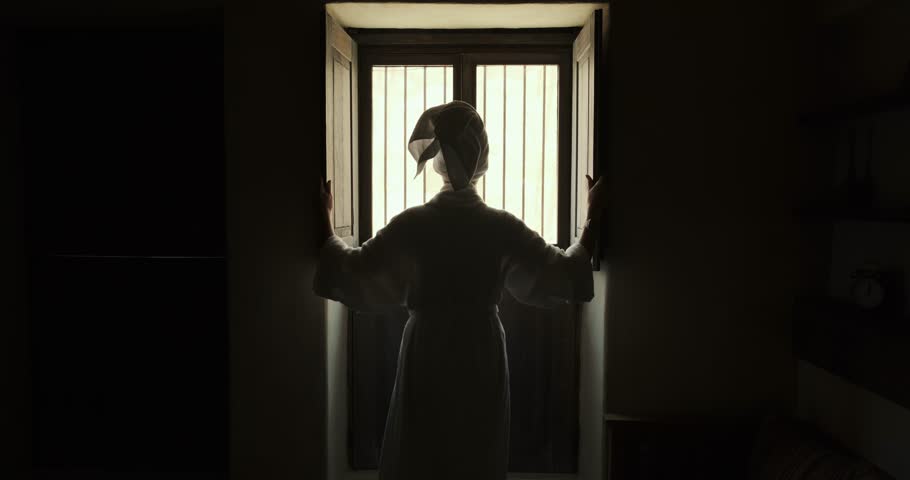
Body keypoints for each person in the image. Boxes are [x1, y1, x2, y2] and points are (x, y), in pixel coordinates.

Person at [314, 101, 604, 480]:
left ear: (437, 159)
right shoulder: (500, 227)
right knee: (475, 452)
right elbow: (563, 273)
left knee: (422, 450)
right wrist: (592, 217)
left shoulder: (413, 224)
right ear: (481, 158)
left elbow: (352, 272)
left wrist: (324, 219)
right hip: (481, 354)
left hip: (427, 350)